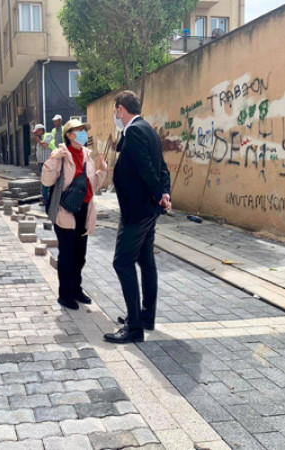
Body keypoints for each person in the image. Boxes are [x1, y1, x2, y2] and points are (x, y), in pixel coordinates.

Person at [104, 90, 172, 344]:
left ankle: (134, 327)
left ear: (121, 109)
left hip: (137, 211)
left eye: (115, 110)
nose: (115, 115)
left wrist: (160, 195)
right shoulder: (148, 130)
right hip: (148, 209)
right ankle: (146, 316)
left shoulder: (134, 132)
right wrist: (164, 193)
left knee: (122, 263)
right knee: (145, 261)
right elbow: (162, 168)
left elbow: (147, 170)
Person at [42, 119, 108, 310]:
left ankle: (76, 289)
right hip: (65, 211)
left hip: (83, 211)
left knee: (80, 255)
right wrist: (53, 159)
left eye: (83, 130)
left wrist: (102, 171)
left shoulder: (87, 156)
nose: (82, 133)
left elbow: (91, 186)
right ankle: (65, 294)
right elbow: (46, 181)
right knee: (67, 255)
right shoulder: (61, 154)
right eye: (78, 130)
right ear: (69, 135)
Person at [33, 123, 53, 203]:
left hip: (47, 163)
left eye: (36, 132)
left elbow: (45, 145)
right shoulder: (39, 139)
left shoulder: (48, 136)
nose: (35, 134)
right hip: (41, 163)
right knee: (43, 181)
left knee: (48, 180)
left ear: (41, 130)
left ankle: (47, 198)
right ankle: (44, 197)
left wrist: (38, 140)